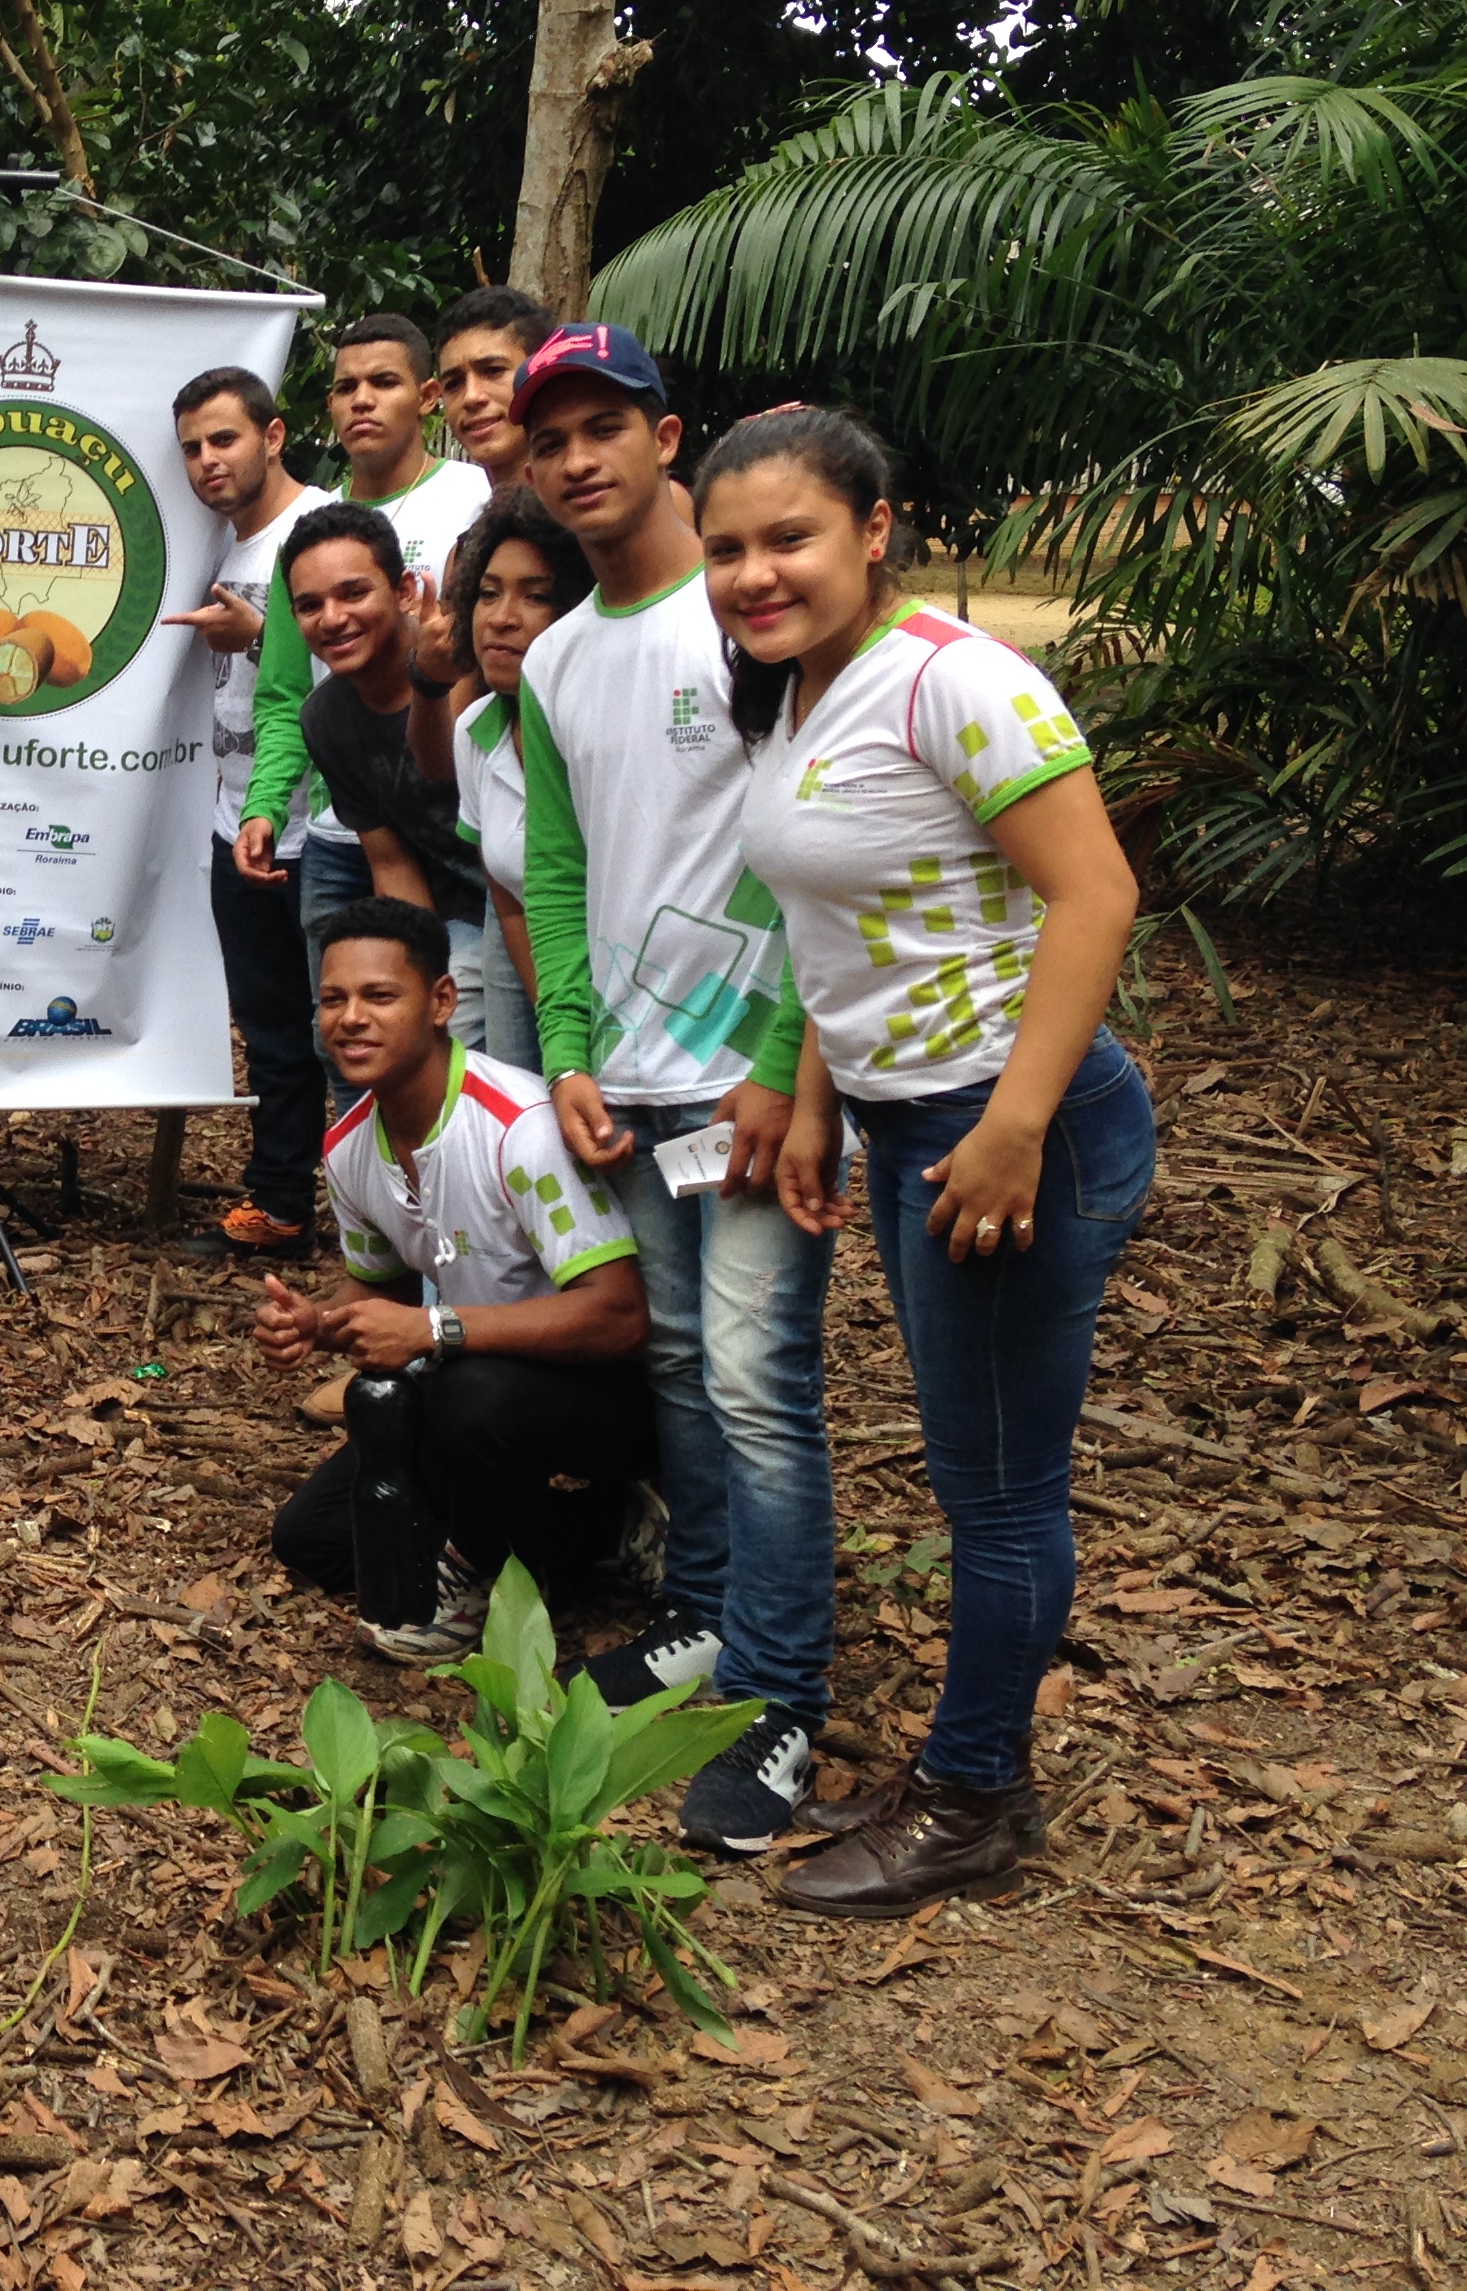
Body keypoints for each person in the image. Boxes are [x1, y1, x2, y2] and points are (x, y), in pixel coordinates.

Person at [695, 407, 1150, 1912]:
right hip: (912, 1121)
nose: (756, 575)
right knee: (978, 1469)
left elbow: (1095, 899)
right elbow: (847, 928)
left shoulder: (957, 684)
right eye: (728, 551)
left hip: (1006, 1122)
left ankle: (973, 1800)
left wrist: (1014, 1130)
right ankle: (964, 1758)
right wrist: (820, 1101)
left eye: (789, 539)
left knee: (1003, 1488)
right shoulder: (805, 692)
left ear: (875, 528)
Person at [511, 324, 838, 1856]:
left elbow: (811, 848)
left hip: (763, 1086)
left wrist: (787, 1069)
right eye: (548, 437)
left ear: (664, 436)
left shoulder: (744, 621)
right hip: (634, 1084)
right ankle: (705, 1614)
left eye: (603, 428)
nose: (577, 458)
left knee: (765, 1388)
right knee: (686, 1370)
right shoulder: (559, 658)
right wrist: (568, 1051)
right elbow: (561, 872)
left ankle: (779, 1699)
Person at [258, 898, 654, 1662]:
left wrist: (435, 1331)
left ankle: (500, 1569)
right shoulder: (348, 1149)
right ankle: (599, 1533)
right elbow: (389, 1294)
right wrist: (315, 1320)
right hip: (470, 1387)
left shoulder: (519, 1126)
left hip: (605, 1397)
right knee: (314, 1542)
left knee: (468, 1396)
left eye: (379, 996)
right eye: (333, 999)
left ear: (441, 1001)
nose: (351, 1019)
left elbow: (620, 1316)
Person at [238, 315, 492, 1104]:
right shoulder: (308, 531)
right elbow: (285, 689)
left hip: (489, 848)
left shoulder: (476, 494)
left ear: (426, 398)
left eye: (382, 382)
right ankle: (372, 1210)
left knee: (466, 1052)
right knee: (351, 1039)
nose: (361, 401)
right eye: (345, 386)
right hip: (358, 826)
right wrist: (265, 800)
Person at [164, 366, 333, 1255]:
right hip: (240, 824)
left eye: (224, 439)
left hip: (327, 830)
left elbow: (364, 654)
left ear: (273, 436)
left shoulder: (325, 530)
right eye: (192, 447)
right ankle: (280, 1204)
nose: (206, 461)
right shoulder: (224, 553)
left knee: (343, 1028)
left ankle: (393, 1213)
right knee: (268, 1030)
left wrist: (262, 632)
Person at [271, 504, 489, 1057]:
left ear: (406, 591)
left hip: (526, 900)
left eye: (353, 594)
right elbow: (391, 861)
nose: (333, 618)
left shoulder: (472, 661)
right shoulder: (324, 718)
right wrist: (415, 974)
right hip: (454, 914)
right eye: (310, 605)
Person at [430, 495, 594, 1075]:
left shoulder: (603, 732)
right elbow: (508, 898)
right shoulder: (475, 731)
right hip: (539, 974)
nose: (502, 617)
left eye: (536, 595)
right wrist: (560, 1033)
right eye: (489, 592)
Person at [432, 283, 555, 498]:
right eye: (454, 383)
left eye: (493, 371)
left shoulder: (591, 520)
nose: (471, 397)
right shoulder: (461, 524)